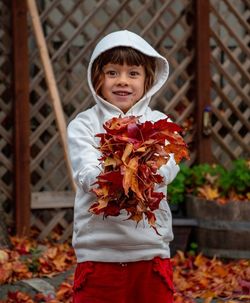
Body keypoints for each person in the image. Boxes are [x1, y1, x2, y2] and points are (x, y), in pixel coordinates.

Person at [67, 30, 180, 303]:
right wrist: (119, 174)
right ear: (98, 78)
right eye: (113, 72)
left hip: (150, 253)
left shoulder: (159, 124)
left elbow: (166, 168)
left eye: (133, 73)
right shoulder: (85, 125)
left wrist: (141, 173)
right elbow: (88, 175)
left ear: (148, 80)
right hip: (98, 255)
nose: (123, 81)